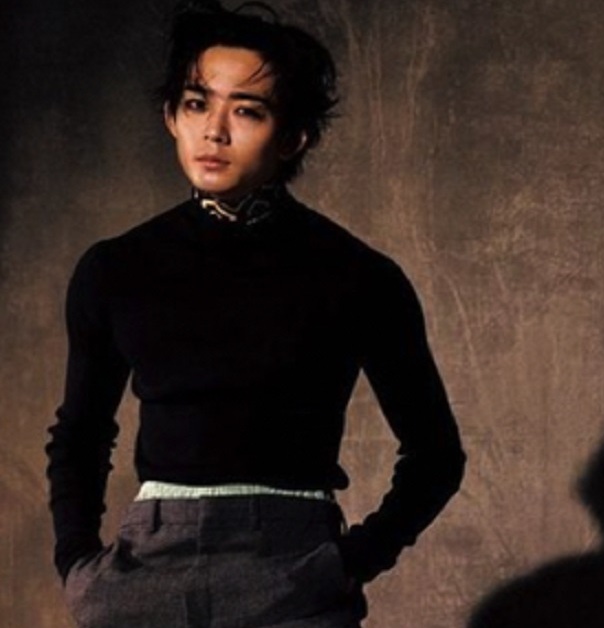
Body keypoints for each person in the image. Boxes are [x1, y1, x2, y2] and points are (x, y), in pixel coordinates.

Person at [45, 2, 465, 626]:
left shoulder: (359, 276)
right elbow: (81, 435)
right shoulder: (115, 268)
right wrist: (78, 566)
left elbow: (435, 454)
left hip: (291, 567)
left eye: (247, 110)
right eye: (197, 104)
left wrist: (348, 563)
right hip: (145, 569)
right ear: (171, 116)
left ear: (292, 136)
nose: (214, 131)